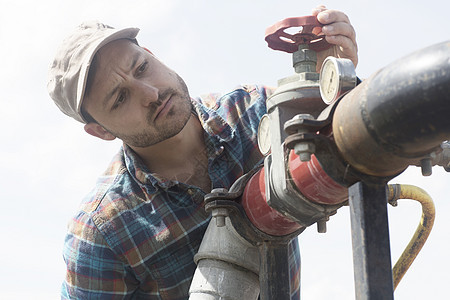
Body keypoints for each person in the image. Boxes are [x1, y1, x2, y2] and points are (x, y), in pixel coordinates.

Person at [48, 5, 358, 299]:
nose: (151, 94)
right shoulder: (103, 232)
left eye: (142, 68)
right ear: (101, 131)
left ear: (152, 55)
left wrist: (335, 89)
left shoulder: (253, 115)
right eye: (120, 99)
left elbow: (356, 155)